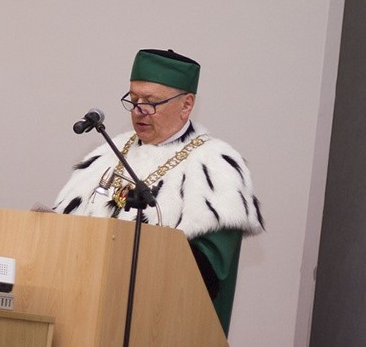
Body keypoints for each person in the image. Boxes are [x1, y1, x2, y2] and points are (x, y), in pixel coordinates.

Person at [52, 48, 264, 336]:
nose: (139, 110)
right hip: (85, 318)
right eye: (134, 99)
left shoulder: (216, 167)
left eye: (151, 102)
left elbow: (205, 275)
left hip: (161, 328)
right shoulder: (109, 153)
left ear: (186, 105)